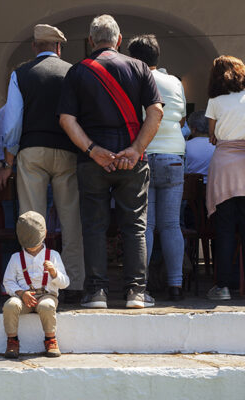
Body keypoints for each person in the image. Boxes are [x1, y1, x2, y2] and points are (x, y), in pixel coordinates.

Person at [59, 15, 163, 308]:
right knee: (135, 227)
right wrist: (135, 149)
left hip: (94, 162)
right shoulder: (140, 67)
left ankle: (97, 293)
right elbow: (155, 112)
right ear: (119, 40)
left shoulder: (78, 71)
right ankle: (136, 293)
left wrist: (92, 149)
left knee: (93, 226)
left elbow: (67, 119)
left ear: (91, 41)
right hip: (132, 160)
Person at [0, 24, 85, 304]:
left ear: (34, 47)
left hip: (32, 151)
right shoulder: (73, 72)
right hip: (68, 151)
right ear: (59, 47)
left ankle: (31, 286)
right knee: (71, 221)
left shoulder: (20, 74)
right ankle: (75, 284)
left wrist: (8, 160)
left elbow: (12, 122)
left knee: (32, 221)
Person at [127, 34, 187, 301]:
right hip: (175, 154)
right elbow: (182, 116)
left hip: (146, 155)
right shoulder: (175, 81)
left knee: (147, 226)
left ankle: (144, 286)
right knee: (172, 225)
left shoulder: (135, 80)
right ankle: (176, 285)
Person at [2, 211, 69, 358]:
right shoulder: (15, 258)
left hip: (47, 295)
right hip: (23, 298)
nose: (32, 247)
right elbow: (7, 282)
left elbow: (65, 283)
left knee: (47, 306)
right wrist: (21, 293)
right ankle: (12, 341)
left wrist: (54, 273)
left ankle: (50, 339)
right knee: (10, 305)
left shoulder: (53, 256)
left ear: (45, 234)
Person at [205, 55, 245, 300]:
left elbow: (212, 136)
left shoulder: (215, 102)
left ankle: (223, 287)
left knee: (225, 229)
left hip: (224, 166)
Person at [185, 111, 215, 180]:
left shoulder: (185, 145)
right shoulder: (218, 146)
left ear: (193, 129)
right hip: (212, 185)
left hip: (191, 186)